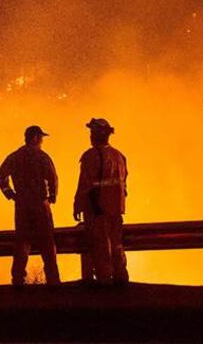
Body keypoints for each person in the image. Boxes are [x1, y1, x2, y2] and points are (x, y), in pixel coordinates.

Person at [0, 125, 61, 286]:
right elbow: (53, 178)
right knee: (47, 243)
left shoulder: (15, 157)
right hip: (40, 205)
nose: (42, 141)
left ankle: (18, 279)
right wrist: (52, 196)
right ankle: (53, 279)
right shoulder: (42, 157)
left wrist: (11, 194)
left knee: (22, 242)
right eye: (41, 138)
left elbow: (0, 176)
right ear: (34, 138)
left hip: (22, 206)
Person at [74, 117, 129, 286]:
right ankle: (121, 276)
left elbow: (85, 184)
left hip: (98, 209)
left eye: (92, 133)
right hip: (116, 208)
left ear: (98, 135)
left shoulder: (91, 156)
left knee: (100, 245)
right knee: (116, 243)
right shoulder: (119, 156)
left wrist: (78, 205)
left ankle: (104, 281)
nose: (90, 136)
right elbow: (124, 183)